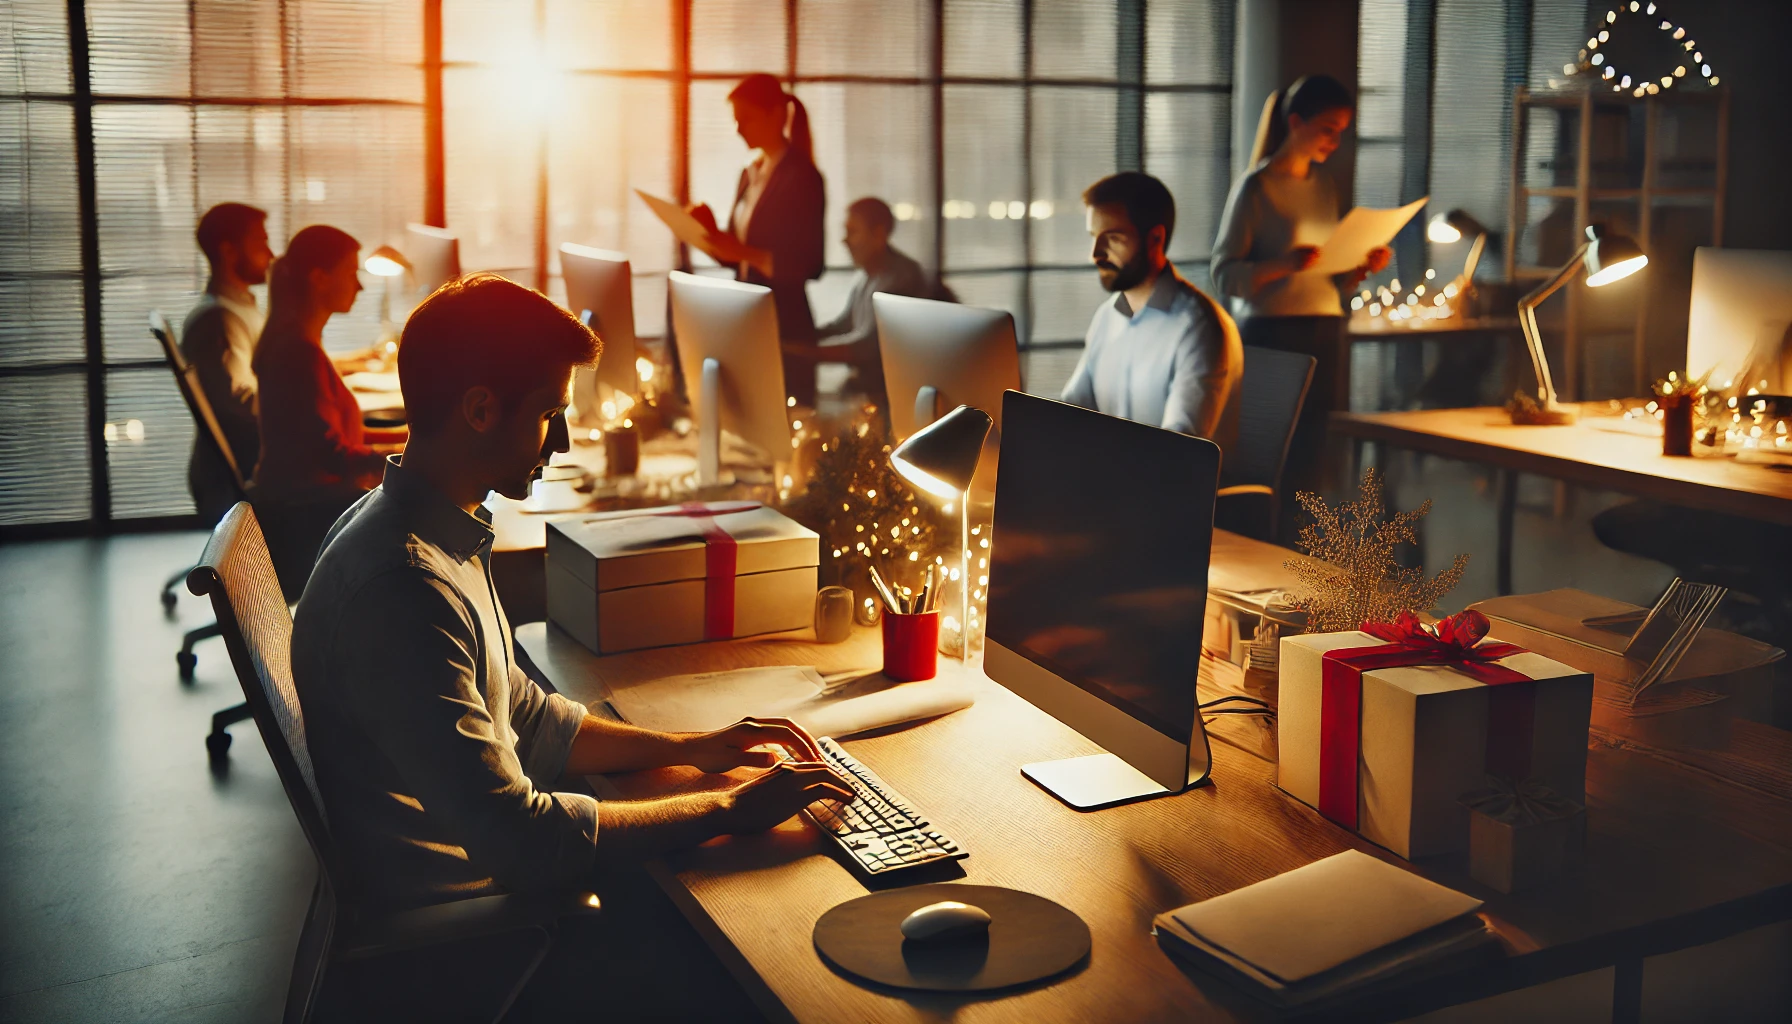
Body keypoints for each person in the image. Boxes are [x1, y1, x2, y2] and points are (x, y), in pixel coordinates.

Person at [290, 274, 852, 1008]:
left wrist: (695, 748)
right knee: (773, 946)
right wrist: (725, 808)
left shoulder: (421, 523)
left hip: (483, 894)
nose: (561, 441)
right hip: (479, 938)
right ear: (482, 409)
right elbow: (520, 840)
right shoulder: (406, 589)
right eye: (551, 414)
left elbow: (521, 711)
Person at [1211, 75, 1389, 522]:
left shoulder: (1324, 186)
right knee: (1274, 448)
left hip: (1324, 327)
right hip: (1272, 331)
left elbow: (1325, 275)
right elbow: (1224, 274)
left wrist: (1359, 268)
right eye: (1328, 128)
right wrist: (1284, 264)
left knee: (1314, 449)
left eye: (1342, 131)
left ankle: (1302, 543)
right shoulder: (1257, 187)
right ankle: (1263, 534)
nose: (1335, 139)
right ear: (1296, 122)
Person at [250, 224, 399, 599]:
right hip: (307, 515)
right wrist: (417, 464)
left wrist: (411, 440)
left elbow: (332, 437)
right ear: (319, 278)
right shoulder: (297, 354)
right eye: (351, 273)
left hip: (305, 502)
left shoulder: (299, 343)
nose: (360, 286)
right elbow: (331, 456)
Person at [1061, 172, 1241, 447]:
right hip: (1116, 478)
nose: (1095, 254)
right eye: (1094, 237)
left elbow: (1180, 450)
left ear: (1155, 238)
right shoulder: (1107, 317)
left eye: (1113, 238)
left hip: (1176, 485)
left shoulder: (1199, 327)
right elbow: (1070, 410)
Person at [688, 73, 827, 406]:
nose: (738, 129)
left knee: (784, 422)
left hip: (785, 321)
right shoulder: (750, 174)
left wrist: (742, 251)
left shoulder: (803, 177)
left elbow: (810, 264)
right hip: (747, 316)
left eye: (745, 119)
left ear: (776, 114)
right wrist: (707, 232)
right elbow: (736, 257)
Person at [787, 196, 942, 408]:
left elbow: (866, 347)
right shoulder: (866, 276)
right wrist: (795, 336)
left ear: (878, 234)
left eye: (853, 231)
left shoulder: (903, 278)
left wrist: (798, 353)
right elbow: (843, 325)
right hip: (867, 395)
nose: (844, 240)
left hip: (892, 399)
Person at [181, 202, 273, 523]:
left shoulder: (239, 309)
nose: (271, 254)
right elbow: (243, 403)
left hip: (249, 458)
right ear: (229, 251)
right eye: (261, 243)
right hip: (240, 472)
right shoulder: (219, 321)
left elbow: (270, 368)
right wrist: (307, 401)